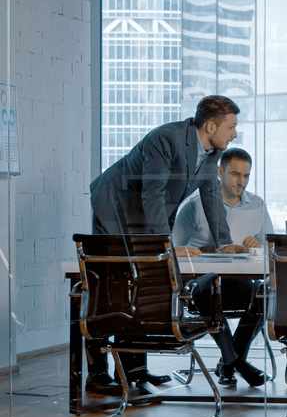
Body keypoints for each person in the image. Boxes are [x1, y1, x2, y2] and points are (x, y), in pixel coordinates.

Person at [85, 95, 239, 395]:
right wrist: (166, 247)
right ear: (210, 125)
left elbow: (210, 197)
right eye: (231, 126)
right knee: (112, 284)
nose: (234, 133)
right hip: (115, 206)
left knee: (142, 284)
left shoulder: (210, 154)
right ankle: (97, 375)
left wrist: (225, 243)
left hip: (145, 213)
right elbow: (152, 193)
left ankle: (135, 371)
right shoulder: (165, 139)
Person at [171, 147, 272, 388]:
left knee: (265, 293)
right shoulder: (194, 205)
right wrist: (207, 249)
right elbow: (173, 250)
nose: (241, 182)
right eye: (235, 175)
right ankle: (237, 364)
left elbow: (271, 248)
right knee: (209, 288)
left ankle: (230, 362)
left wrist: (255, 246)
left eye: (246, 176)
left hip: (238, 282)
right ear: (219, 172)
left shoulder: (256, 204)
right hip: (201, 285)